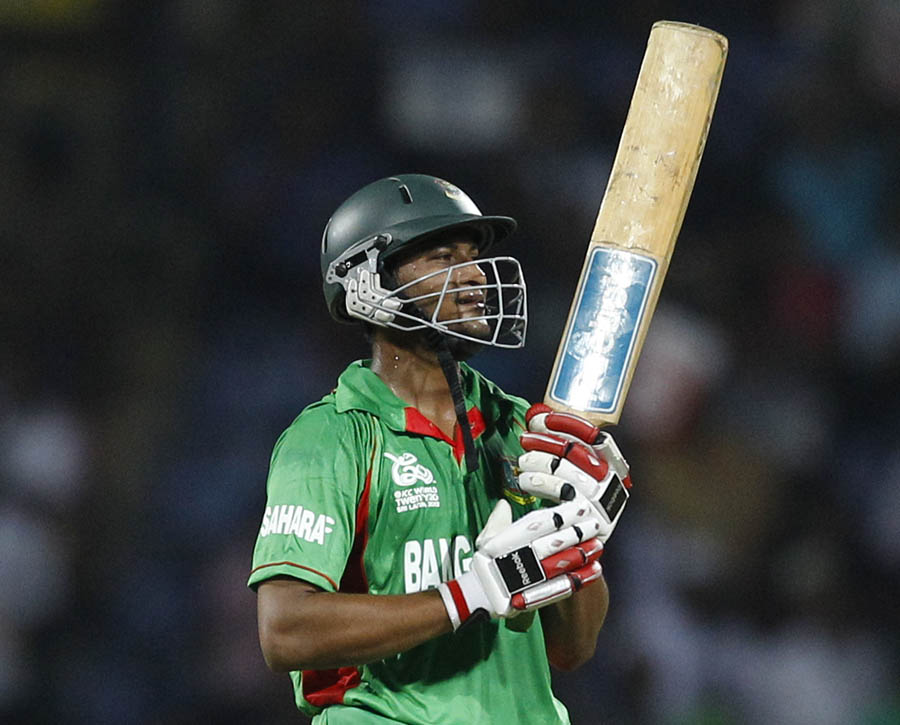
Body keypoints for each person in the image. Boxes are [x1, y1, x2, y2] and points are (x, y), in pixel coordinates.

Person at [248, 174, 632, 724]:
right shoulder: (332, 437)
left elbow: (572, 649)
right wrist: (468, 593)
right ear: (368, 283)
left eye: (474, 255)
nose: (476, 274)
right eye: (442, 256)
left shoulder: (526, 429)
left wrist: (584, 539)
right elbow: (284, 630)